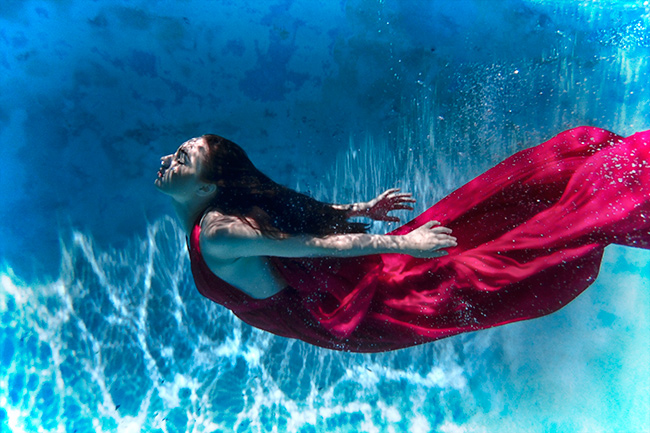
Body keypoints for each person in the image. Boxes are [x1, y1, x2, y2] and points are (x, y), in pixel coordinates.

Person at [156, 127, 650, 352]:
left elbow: (316, 246)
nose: (167, 160)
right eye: (178, 154)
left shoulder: (218, 233)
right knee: (487, 234)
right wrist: (362, 212)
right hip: (351, 289)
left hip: (366, 310)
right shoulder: (221, 218)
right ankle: (615, 178)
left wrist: (402, 246)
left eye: (181, 159)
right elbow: (298, 224)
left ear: (207, 187)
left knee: (506, 264)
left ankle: (624, 191)